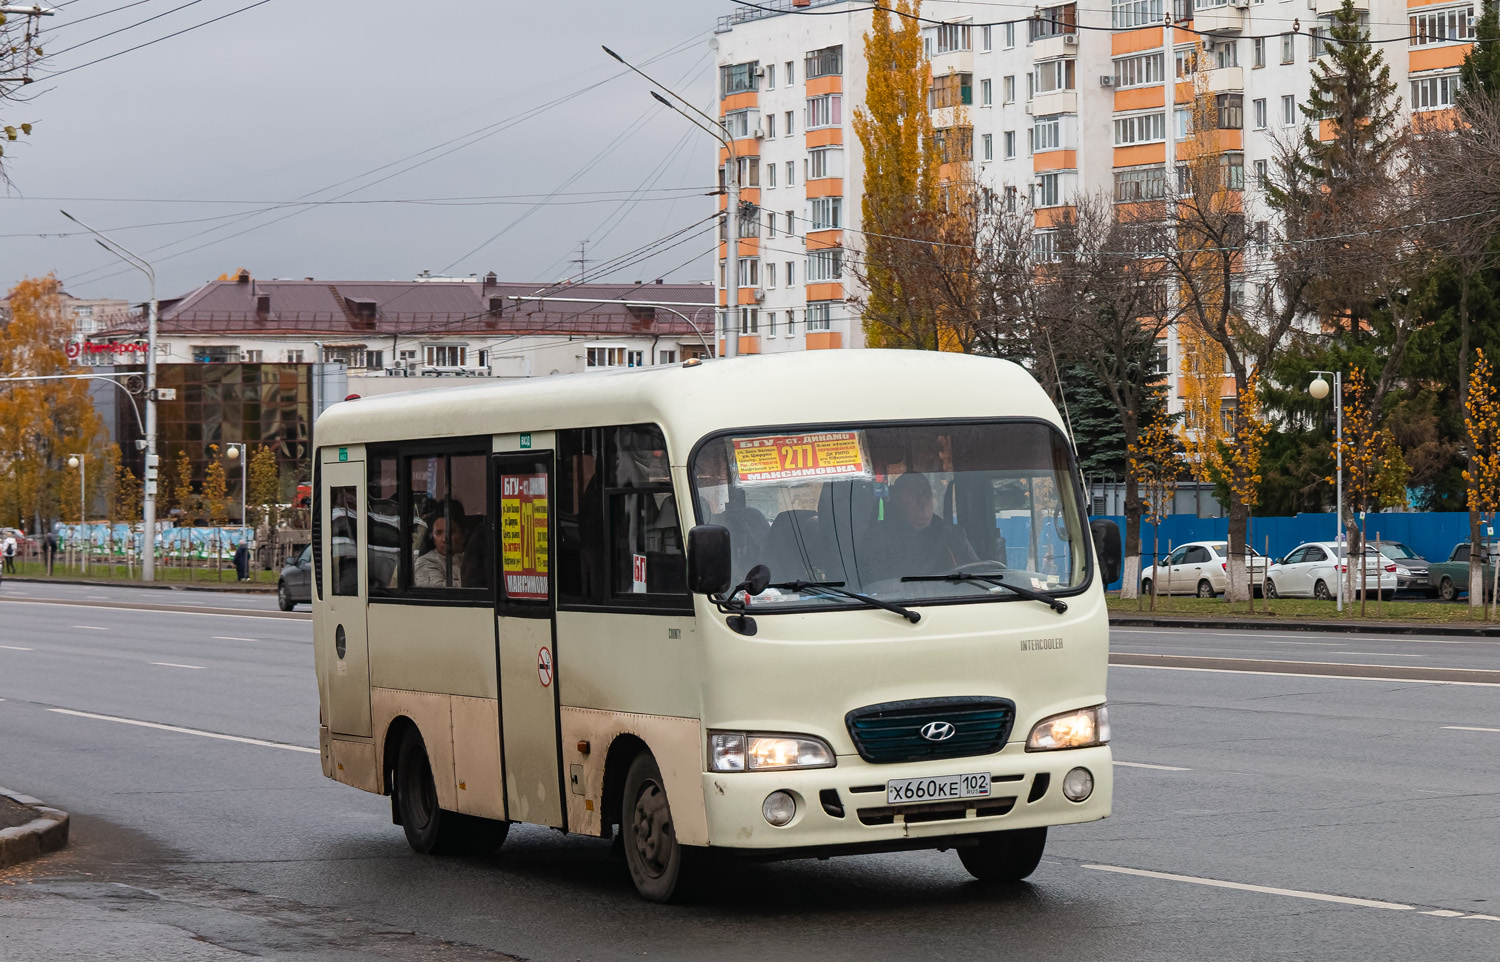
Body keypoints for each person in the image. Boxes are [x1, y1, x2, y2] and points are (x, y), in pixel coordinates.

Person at [874, 472, 979, 579]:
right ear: (896, 499)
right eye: (913, 493)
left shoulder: (952, 534)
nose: (923, 500)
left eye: (926, 493)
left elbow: (978, 573)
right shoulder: (880, 538)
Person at [413, 503, 467, 588]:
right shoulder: (427, 562)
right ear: (432, 538)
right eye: (438, 533)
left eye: (451, 532)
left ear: (463, 534)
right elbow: (440, 591)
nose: (444, 539)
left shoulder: (468, 558)